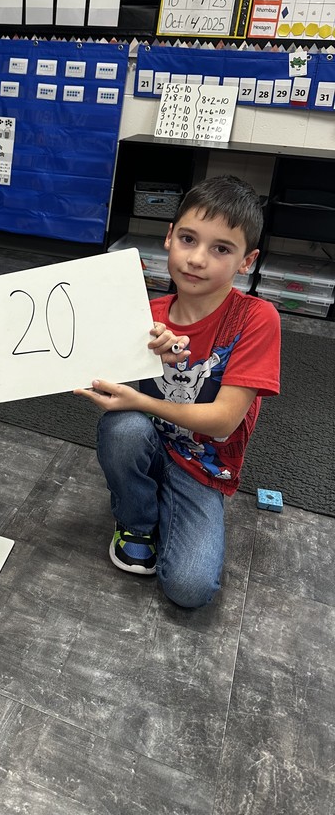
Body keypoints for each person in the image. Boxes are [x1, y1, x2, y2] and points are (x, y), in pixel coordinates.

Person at [75, 175, 280, 608]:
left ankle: (171, 501)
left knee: (190, 589)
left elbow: (226, 419)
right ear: (169, 238)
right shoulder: (144, 316)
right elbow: (105, 386)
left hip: (204, 466)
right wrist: (129, 372)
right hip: (149, 444)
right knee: (123, 427)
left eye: (221, 249)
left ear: (248, 260)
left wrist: (143, 398)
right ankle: (136, 519)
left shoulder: (256, 319)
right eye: (188, 239)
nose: (198, 259)